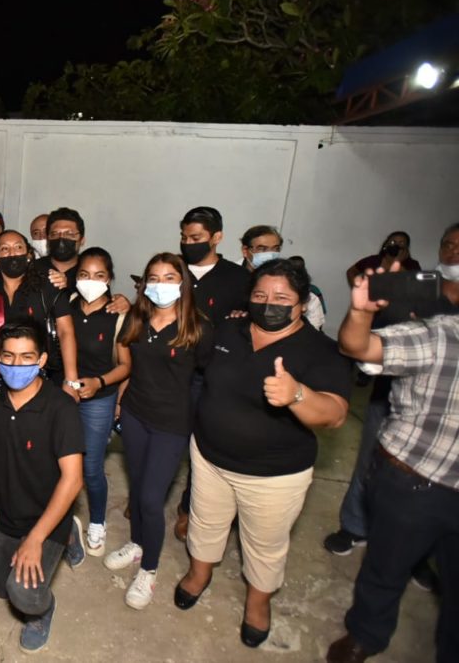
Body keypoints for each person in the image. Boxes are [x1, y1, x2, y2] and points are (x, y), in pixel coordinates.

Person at [174, 259, 350, 648]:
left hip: (273, 475)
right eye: (260, 295)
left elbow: (336, 414)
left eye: (282, 298)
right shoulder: (229, 329)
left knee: (265, 544)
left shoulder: (321, 350)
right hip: (210, 457)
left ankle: (258, 603)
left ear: (303, 303)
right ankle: (199, 574)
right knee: (205, 522)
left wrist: (297, 395)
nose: (269, 304)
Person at [327, 226, 459, 663]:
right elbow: (358, 345)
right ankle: (366, 634)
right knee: (385, 567)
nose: (453, 253)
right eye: (449, 244)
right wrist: (361, 312)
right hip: (414, 479)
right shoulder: (440, 330)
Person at [102, 253, 213, 610]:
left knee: (151, 498)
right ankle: (137, 544)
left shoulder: (197, 327)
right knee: (137, 488)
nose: (161, 285)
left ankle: (148, 569)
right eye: (154, 277)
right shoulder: (137, 317)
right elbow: (130, 367)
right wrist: (120, 402)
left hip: (172, 423)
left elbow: (207, 377)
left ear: (182, 283)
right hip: (135, 414)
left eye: (169, 278)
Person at [0, 319, 84, 653]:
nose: (16, 365)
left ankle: (44, 610)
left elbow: (73, 479)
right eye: (8, 356)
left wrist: (36, 539)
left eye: (27, 357)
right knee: (0, 589)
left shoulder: (61, 408)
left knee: (23, 594)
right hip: (8, 511)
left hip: (46, 516)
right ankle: (66, 536)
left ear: (42, 360)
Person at [172, 206, 251, 540]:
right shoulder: (171, 270)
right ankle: (150, 494)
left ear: (217, 237)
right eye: (184, 237)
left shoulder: (238, 279)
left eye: (196, 238)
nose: (189, 243)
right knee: (165, 438)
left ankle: (189, 508)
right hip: (170, 371)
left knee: (203, 447)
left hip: (212, 375)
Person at [68, 248, 129, 557]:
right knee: (60, 460)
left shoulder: (118, 315)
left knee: (91, 466)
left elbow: (126, 365)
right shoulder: (67, 304)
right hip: (64, 394)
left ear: (109, 278)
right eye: (84, 274)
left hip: (99, 399)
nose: (90, 281)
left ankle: (97, 521)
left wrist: (99, 383)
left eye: (99, 275)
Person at [0, 229, 80, 400]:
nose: (12, 253)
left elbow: (66, 331)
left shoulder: (48, 284)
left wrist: (71, 380)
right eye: (4, 249)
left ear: (28, 255)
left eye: (18, 247)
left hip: (36, 371)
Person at [239, 225, 325, 330]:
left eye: (276, 249)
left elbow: (313, 324)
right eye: (262, 249)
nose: (270, 254)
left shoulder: (293, 281)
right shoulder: (229, 276)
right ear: (245, 250)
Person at [33, 207, 85, 290]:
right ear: (48, 239)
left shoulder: (88, 271)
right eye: (55, 234)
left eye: (69, 234)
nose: (61, 239)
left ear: (82, 240)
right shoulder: (33, 269)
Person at [345, 231, 421, 286]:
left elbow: (416, 285)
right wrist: (357, 288)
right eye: (393, 242)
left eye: (401, 242)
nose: (396, 245)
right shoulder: (373, 260)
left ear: (406, 248)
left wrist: (398, 262)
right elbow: (351, 271)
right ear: (386, 244)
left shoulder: (412, 265)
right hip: (373, 301)